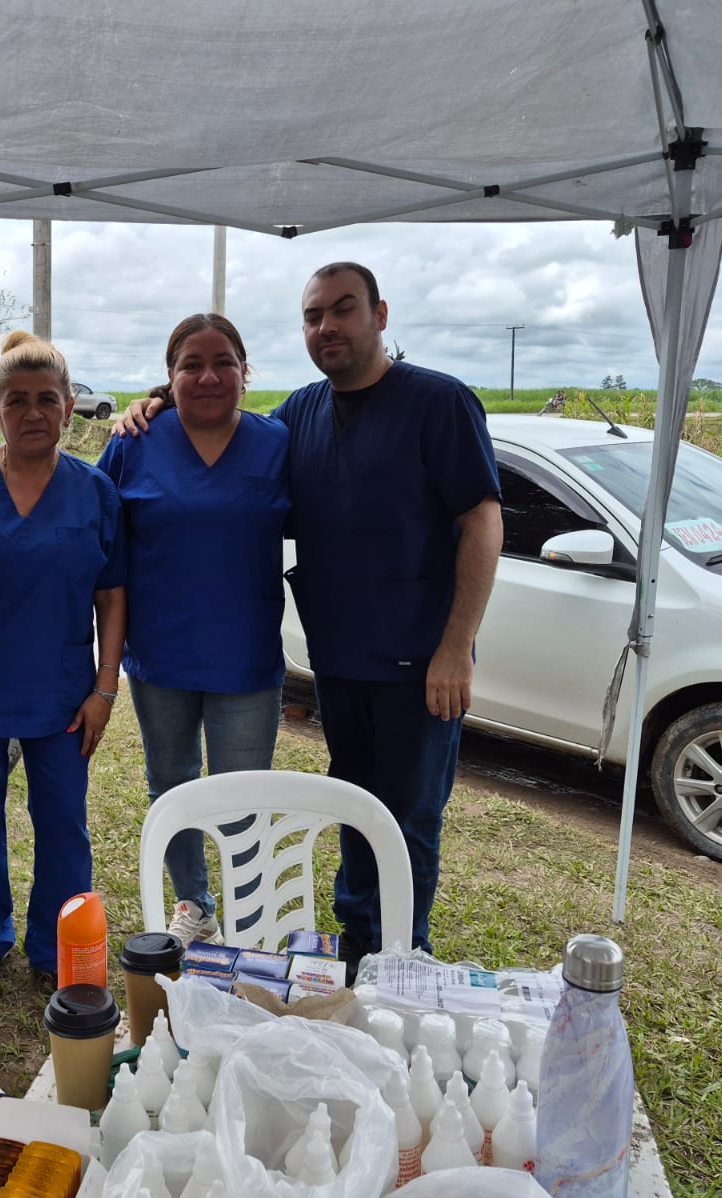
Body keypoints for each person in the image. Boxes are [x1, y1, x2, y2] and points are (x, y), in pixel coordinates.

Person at [117, 265, 502, 965]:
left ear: (379, 314)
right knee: (356, 804)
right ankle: (358, 938)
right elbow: (212, 414)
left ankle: (402, 952)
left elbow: (482, 520)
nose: (327, 326)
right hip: (341, 659)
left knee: (409, 814)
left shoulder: (437, 401)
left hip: (419, 658)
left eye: (343, 310)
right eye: (313, 315)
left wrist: (457, 647)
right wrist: (156, 401)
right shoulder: (300, 414)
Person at [96, 313, 290, 945]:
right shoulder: (135, 440)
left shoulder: (277, 443)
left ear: (244, 372)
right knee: (171, 785)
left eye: (222, 362)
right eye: (192, 365)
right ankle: (196, 907)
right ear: (170, 376)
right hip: (162, 656)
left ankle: (249, 920)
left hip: (245, 660)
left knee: (243, 796)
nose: (208, 376)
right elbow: (93, 526)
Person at [0, 331, 127, 991]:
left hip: (63, 692)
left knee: (63, 825)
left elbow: (112, 595)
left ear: (69, 406)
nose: (32, 412)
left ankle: (56, 948)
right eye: (16, 400)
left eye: (47, 399)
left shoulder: (95, 491)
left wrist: (105, 690)